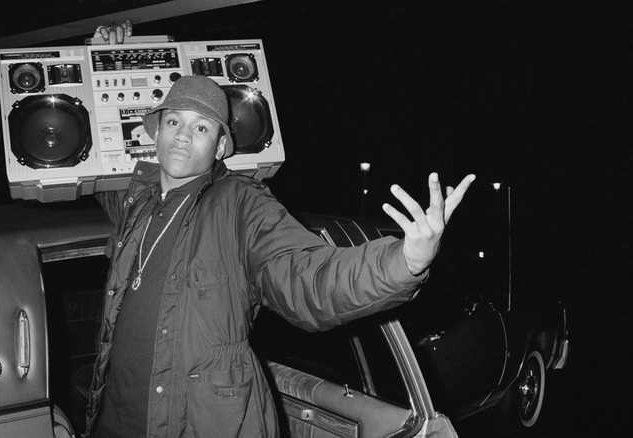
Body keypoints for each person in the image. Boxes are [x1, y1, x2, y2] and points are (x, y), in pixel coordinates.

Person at [87, 23, 475, 438]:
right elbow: (90, 159)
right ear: (157, 133)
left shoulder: (239, 204)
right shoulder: (134, 202)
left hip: (198, 424)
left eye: (201, 128)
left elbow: (307, 277)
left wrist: (404, 261)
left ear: (220, 147)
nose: (183, 136)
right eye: (174, 123)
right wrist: (108, 53)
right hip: (113, 420)